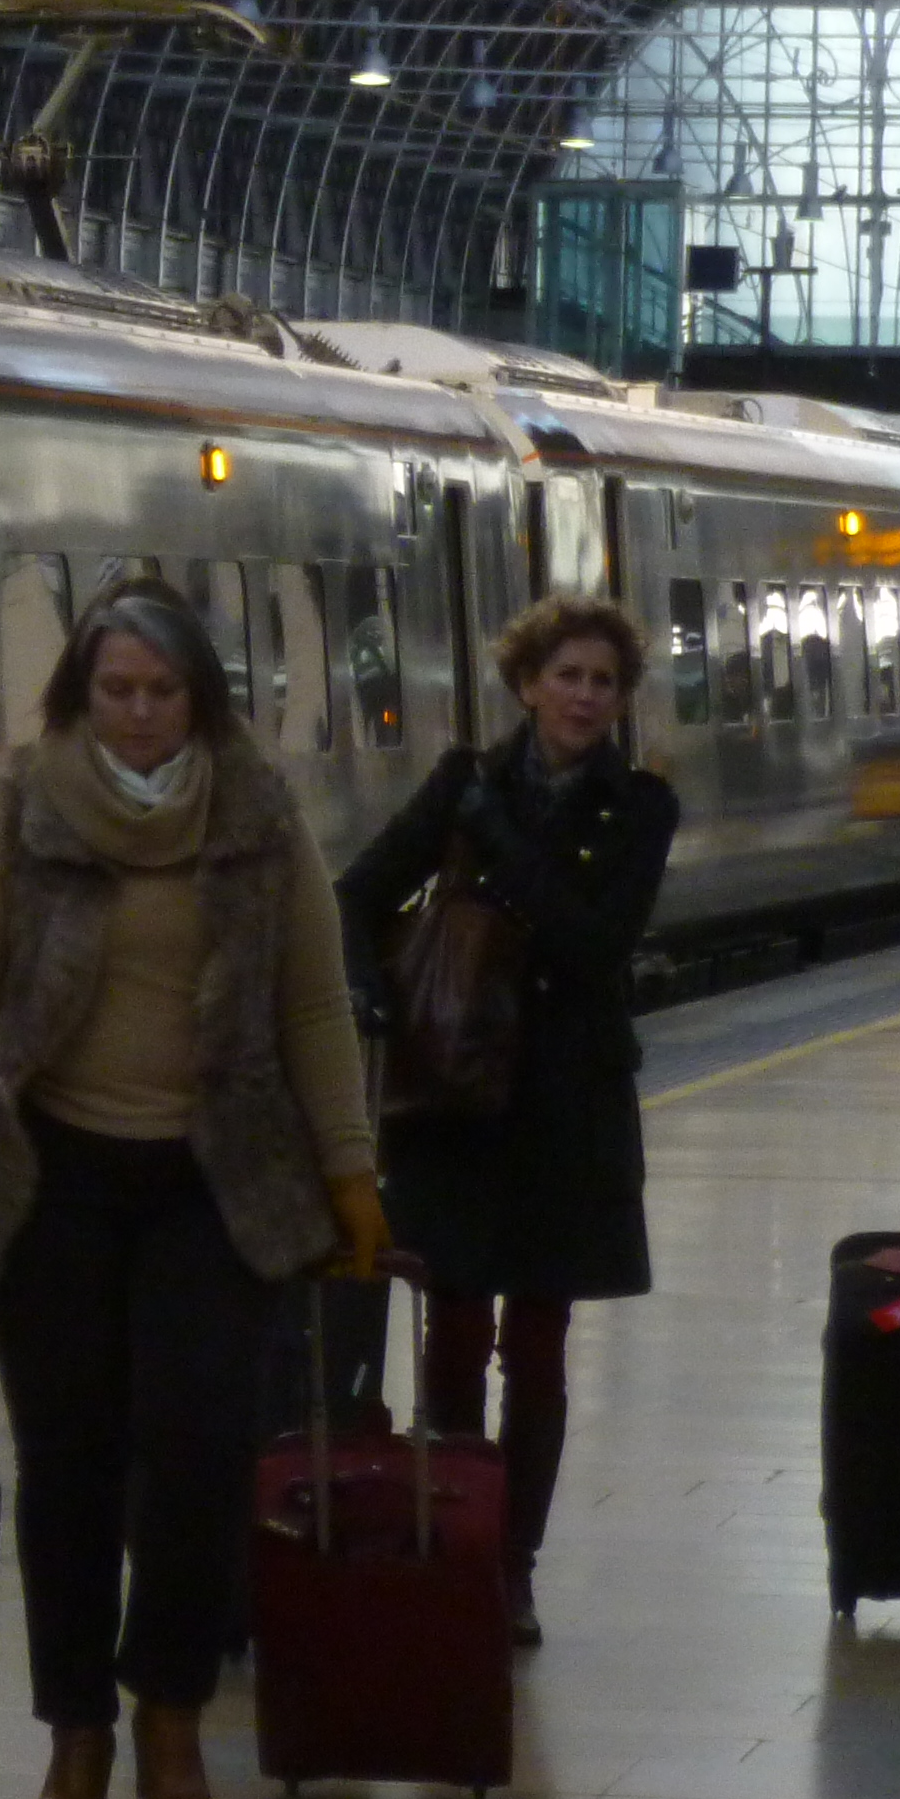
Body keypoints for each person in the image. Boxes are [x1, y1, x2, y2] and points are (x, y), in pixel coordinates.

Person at [0, 588, 385, 1799]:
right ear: (78, 695)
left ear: (200, 701)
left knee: (196, 1455)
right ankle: (78, 1734)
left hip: (213, 1185)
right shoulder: (16, 815)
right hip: (50, 1185)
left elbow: (315, 1010)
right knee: (66, 1465)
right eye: (115, 690)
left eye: (161, 693)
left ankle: (170, 1711)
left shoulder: (260, 821)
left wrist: (350, 1173)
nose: (137, 715)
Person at [333, 593, 679, 1650]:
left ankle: (513, 1563)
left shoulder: (641, 807)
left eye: (603, 682)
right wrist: (370, 992)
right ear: (526, 684)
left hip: (566, 1107)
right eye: (566, 676)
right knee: (455, 1325)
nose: (584, 696)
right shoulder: (459, 782)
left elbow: (591, 942)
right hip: (453, 1099)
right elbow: (354, 892)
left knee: (538, 1341)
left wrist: (494, 836)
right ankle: (453, 1534)